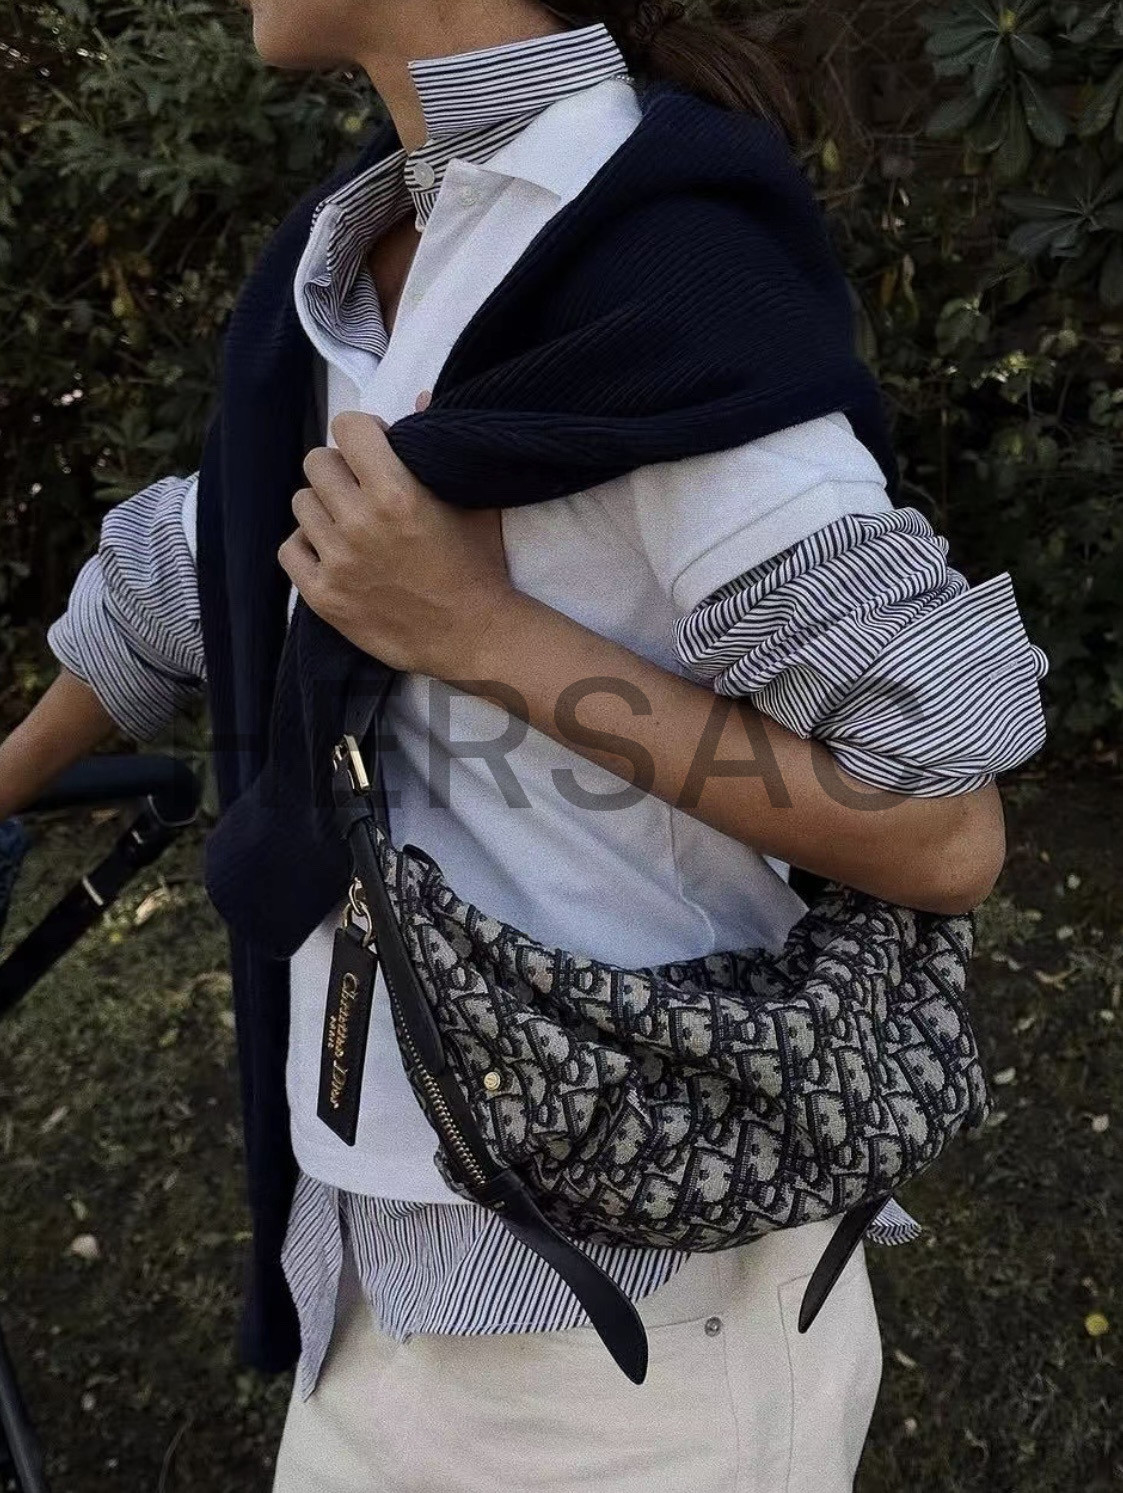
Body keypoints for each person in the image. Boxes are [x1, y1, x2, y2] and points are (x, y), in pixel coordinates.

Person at [0, 0, 1050, 1487]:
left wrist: (482, 631)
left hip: (640, 1311)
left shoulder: (651, 264)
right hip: (371, 1261)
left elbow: (942, 825)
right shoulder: (359, 258)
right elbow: (205, 563)